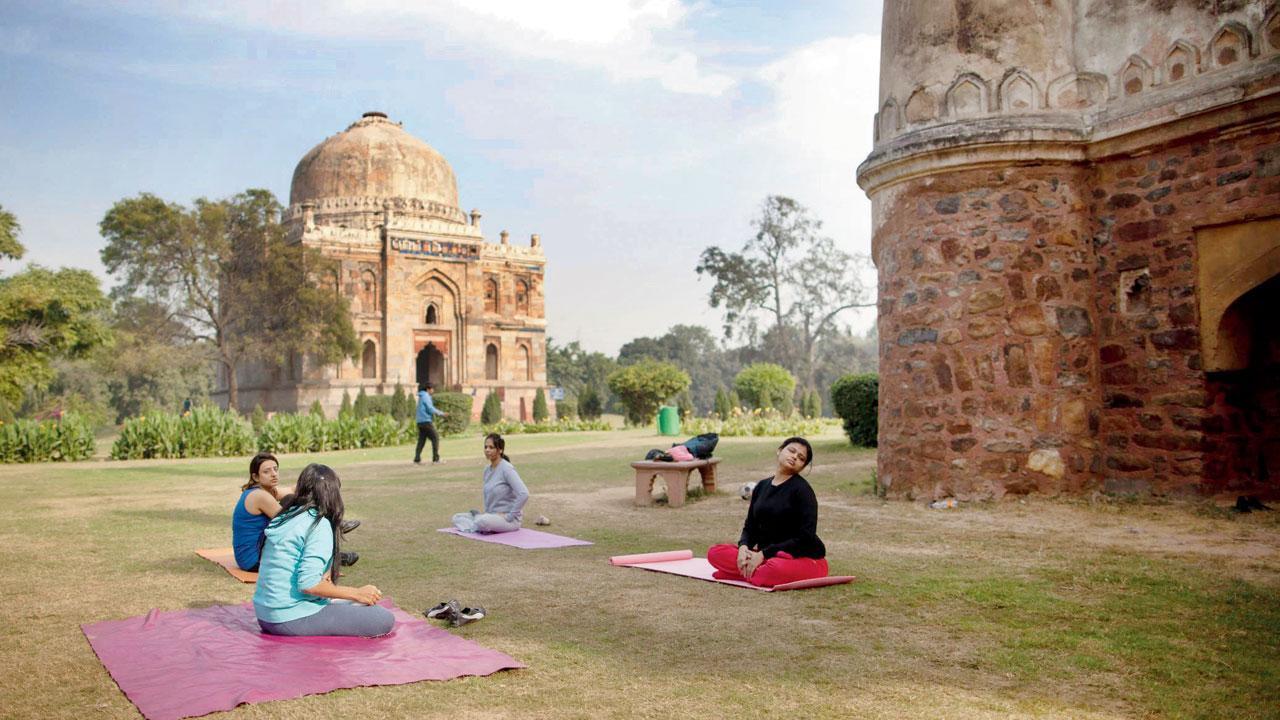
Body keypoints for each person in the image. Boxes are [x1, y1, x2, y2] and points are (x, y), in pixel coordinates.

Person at [253, 463, 394, 637]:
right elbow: (308, 584)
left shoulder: (285, 515)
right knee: (382, 618)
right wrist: (357, 593)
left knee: (353, 605)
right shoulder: (318, 524)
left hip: (265, 614)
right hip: (287, 618)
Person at [706, 437, 828, 587]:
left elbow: (806, 537)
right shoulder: (761, 486)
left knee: (773, 570)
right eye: (792, 450)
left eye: (801, 458)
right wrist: (743, 548)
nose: (795, 456)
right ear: (779, 451)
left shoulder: (803, 491)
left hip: (801, 557)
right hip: (764, 556)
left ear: (802, 467)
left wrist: (763, 554)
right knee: (715, 553)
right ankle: (751, 570)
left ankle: (742, 573)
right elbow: (750, 526)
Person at [232, 452, 359, 571]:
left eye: (275, 469)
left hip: (258, 552)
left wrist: (320, 480)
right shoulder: (259, 496)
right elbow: (292, 523)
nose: (273, 474)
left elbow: (294, 489)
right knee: (293, 507)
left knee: (291, 499)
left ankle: (332, 551)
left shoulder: (268, 491)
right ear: (255, 477)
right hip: (253, 560)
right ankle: (334, 555)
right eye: (266, 471)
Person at [452, 433, 529, 534]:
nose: (487, 450)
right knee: (456, 517)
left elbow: (524, 494)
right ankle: (478, 521)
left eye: (491, 447)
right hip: (491, 516)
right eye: (485, 447)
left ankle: (476, 523)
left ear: (500, 450)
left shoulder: (507, 469)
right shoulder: (487, 470)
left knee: (483, 521)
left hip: (509, 520)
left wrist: (509, 516)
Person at [413, 382, 448, 464]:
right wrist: (442, 413)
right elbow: (430, 408)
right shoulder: (425, 396)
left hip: (420, 421)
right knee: (435, 437)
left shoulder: (422, 396)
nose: (433, 390)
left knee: (421, 440)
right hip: (425, 421)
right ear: (428, 389)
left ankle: (417, 459)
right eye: (432, 389)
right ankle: (436, 459)